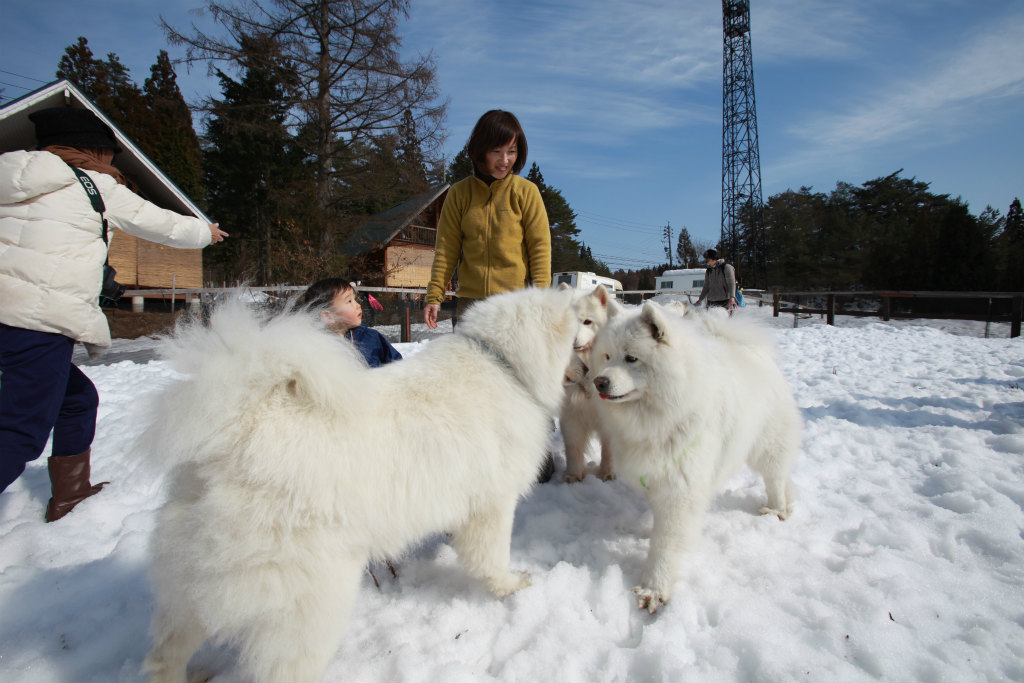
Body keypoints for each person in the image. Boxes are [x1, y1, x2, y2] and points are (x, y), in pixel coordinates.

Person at [0, 107, 228, 521]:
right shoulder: (90, 182)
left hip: (12, 313)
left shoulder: (7, 172)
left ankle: (70, 494)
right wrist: (204, 232)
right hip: (35, 318)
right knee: (19, 430)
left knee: (77, 400)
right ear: (92, 151)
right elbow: (154, 221)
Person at [423, 110, 551, 329]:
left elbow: (540, 248)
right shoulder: (459, 193)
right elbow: (446, 249)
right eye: (496, 151)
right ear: (481, 151)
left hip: (515, 305)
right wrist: (434, 295)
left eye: (511, 151)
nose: (505, 160)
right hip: (471, 306)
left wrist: (540, 300)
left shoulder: (526, 192)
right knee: (469, 363)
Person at [298, 278, 402, 367]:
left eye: (355, 299)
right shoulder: (315, 348)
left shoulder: (372, 337)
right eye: (349, 301)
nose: (358, 305)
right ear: (328, 316)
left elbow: (398, 365)